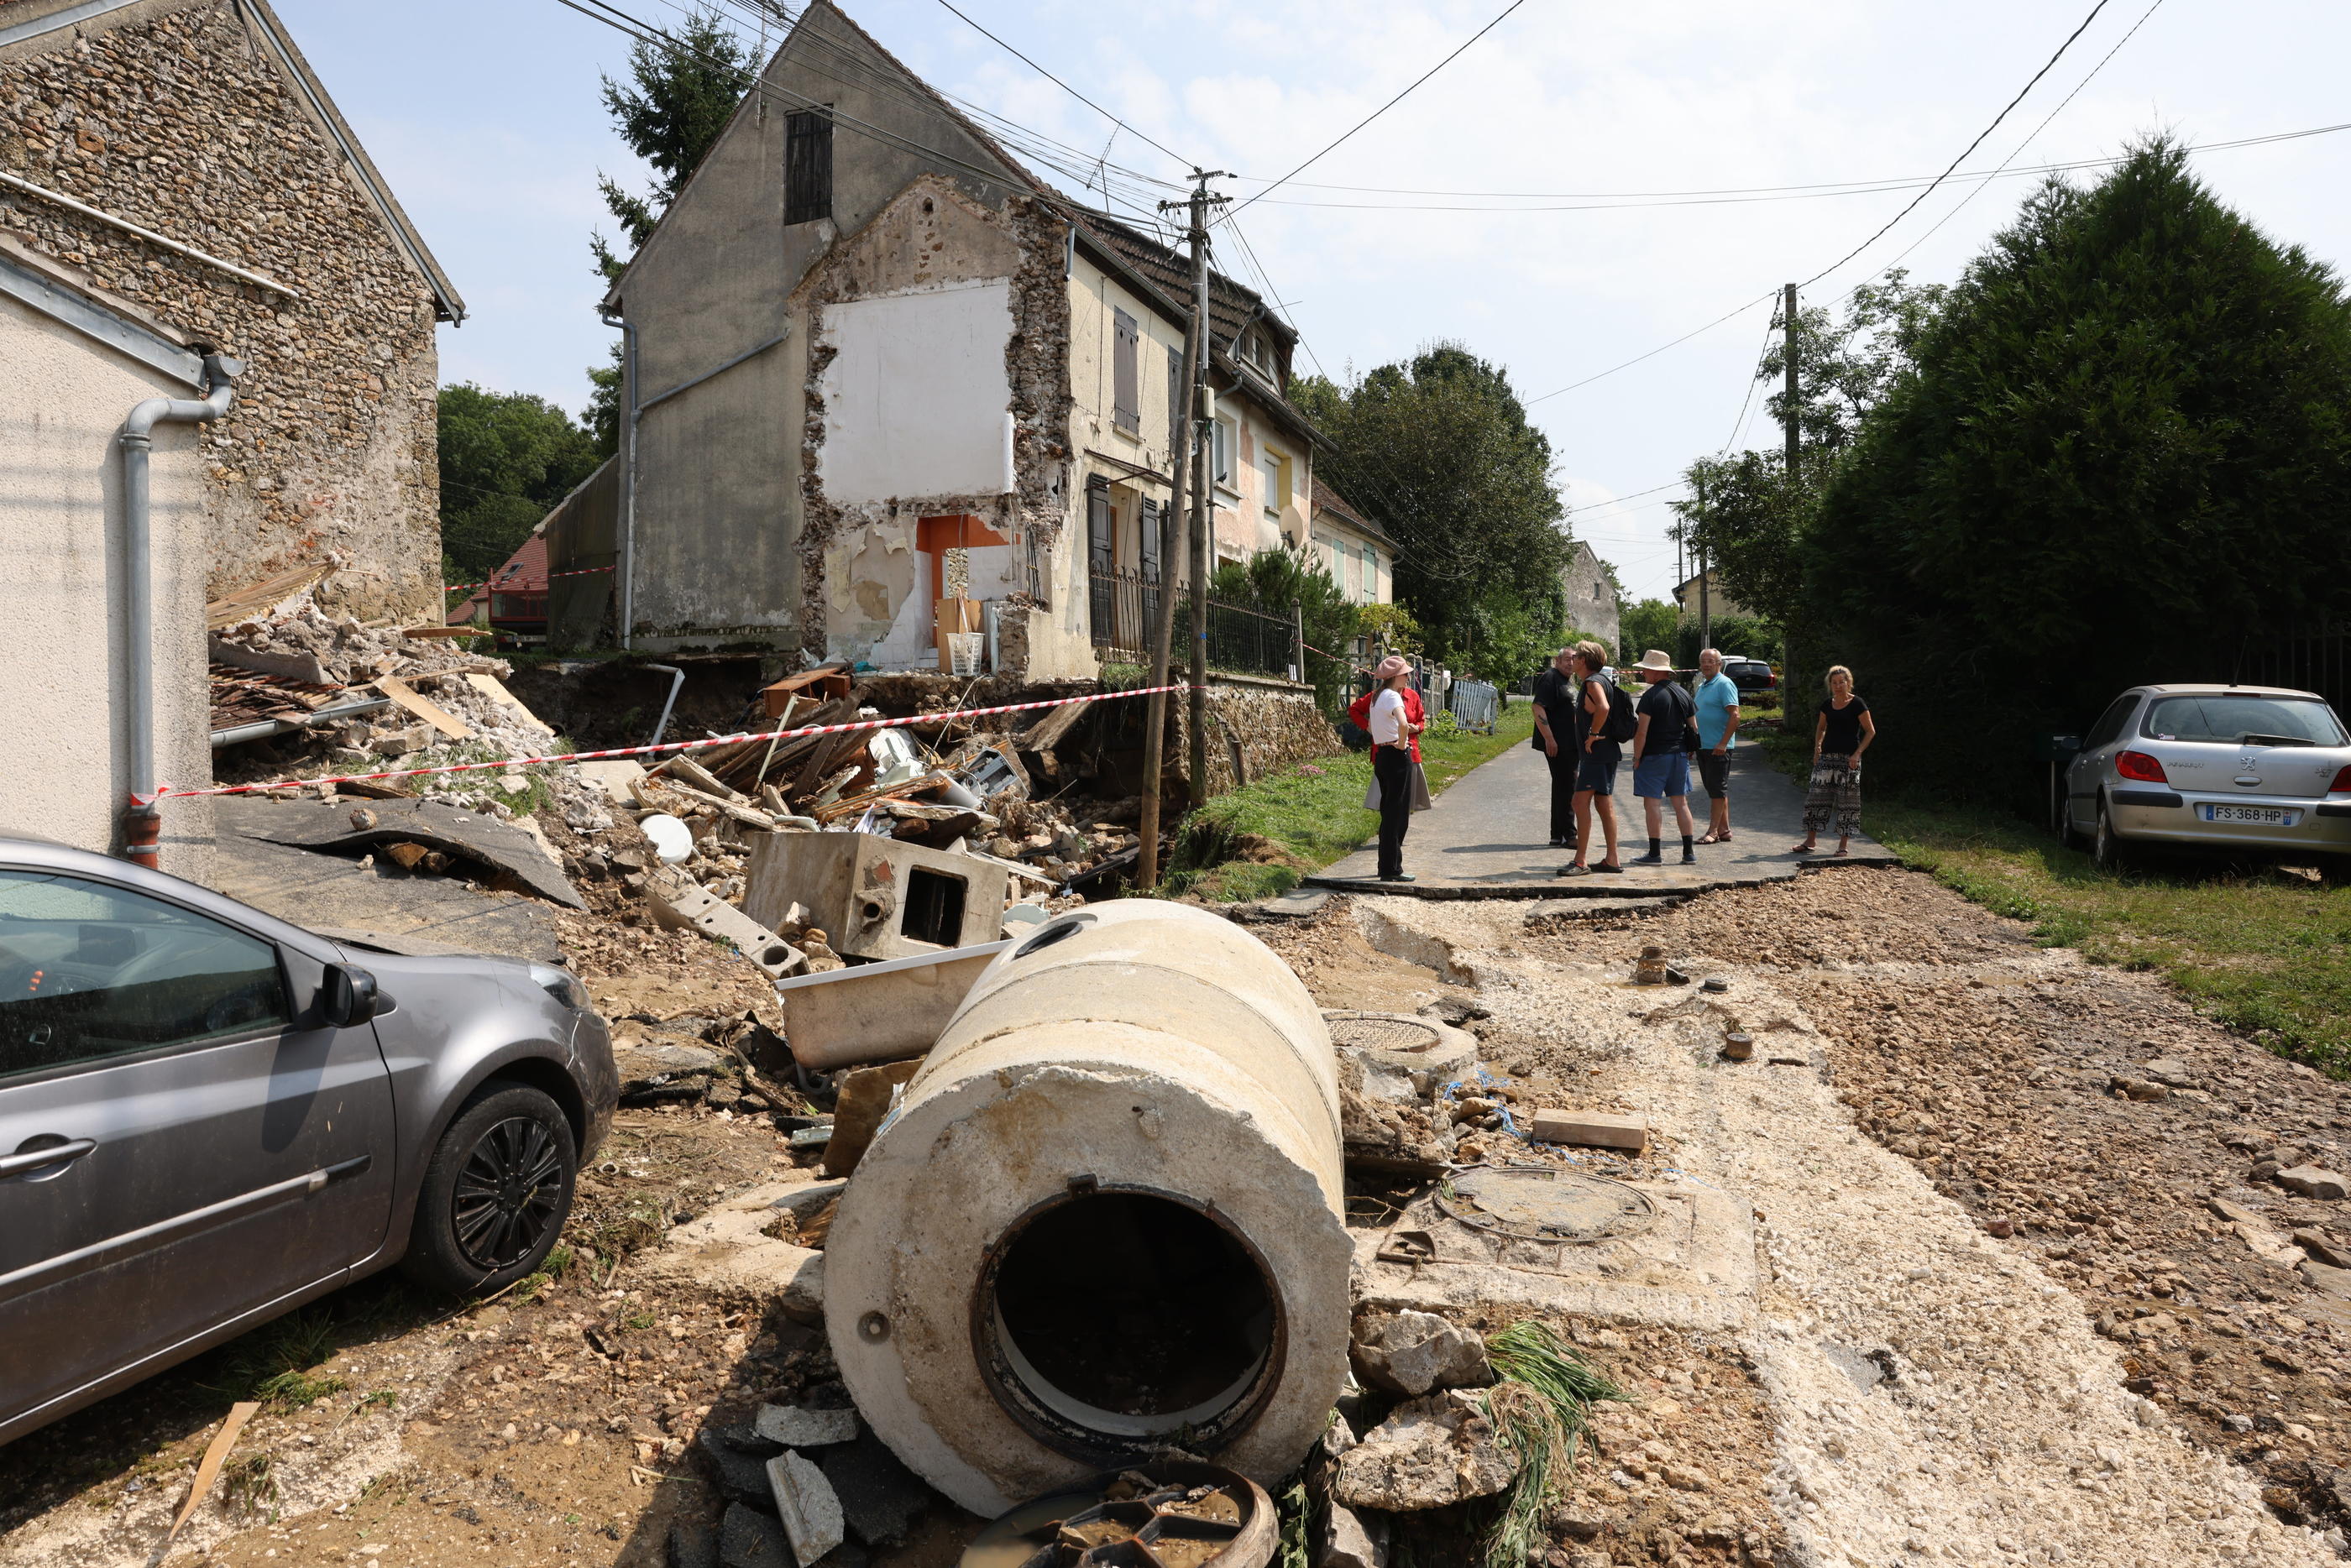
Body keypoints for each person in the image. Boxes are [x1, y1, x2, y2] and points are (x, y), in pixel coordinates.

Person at [1794, 664, 1875, 857]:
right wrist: (1817, 747)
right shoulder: (1827, 704)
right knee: (1815, 798)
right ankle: (1810, 840)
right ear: (1830, 685)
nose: (1838, 686)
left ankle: (1843, 844)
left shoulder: (1858, 704)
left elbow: (1870, 731)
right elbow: (1821, 728)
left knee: (1848, 802)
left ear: (1849, 683)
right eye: (1834, 683)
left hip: (1849, 760)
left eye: (1842, 682)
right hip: (1827, 757)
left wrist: (1857, 754)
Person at [1558, 640, 1624, 875]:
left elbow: (1603, 708)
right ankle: (1612, 859)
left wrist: (1593, 734)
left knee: (1579, 802)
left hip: (1596, 755)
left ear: (1583, 660)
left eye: (1575, 656)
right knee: (1603, 804)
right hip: (1605, 754)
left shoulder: (1591, 682)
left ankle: (1580, 861)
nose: (1572, 660)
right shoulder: (1603, 680)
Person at [1627, 649, 1698, 865]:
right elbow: (1694, 727)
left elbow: (1642, 732)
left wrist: (1636, 757)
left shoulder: (1650, 697)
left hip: (1655, 756)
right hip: (1679, 755)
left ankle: (1655, 854)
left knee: (1653, 805)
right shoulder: (1684, 693)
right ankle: (1688, 853)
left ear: (1656, 671)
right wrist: (1689, 749)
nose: (1643, 673)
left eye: (1646, 669)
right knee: (1681, 803)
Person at [1367, 656, 1423, 882]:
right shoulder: (1393, 696)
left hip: (1383, 755)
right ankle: (1392, 869)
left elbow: (1371, 726)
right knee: (1397, 815)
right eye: (1405, 673)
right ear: (1393, 676)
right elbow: (1402, 724)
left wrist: (1386, 738)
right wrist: (1401, 743)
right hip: (1397, 757)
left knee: (1389, 812)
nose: (1408, 677)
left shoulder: (1377, 697)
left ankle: (1387, 866)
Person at [1530, 646, 1583, 849]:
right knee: (1568, 786)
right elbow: (1538, 707)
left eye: (1574, 659)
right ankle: (1570, 835)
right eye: (1567, 659)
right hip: (1558, 744)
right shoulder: (1550, 678)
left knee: (1562, 786)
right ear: (1557, 661)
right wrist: (1550, 739)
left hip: (1569, 743)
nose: (1571, 663)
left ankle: (1556, 834)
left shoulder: (1567, 680)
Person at [1692, 648, 1742, 844]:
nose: (1706, 664)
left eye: (1710, 661)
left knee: (1717, 789)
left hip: (1718, 746)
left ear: (1719, 664)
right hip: (1704, 745)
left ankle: (1713, 831)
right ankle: (1724, 830)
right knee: (1714, 789)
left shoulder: (1724, 684)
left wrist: (1723, 742)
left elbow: (1735, 715)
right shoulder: (1704, 685)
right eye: (1703, 661)